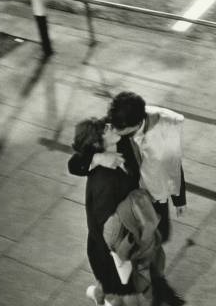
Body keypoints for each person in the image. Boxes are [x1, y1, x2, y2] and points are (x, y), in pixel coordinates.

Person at [68, 91, 187, 243]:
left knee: (158, 238)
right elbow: (74, 165)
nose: (112, 129)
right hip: (128, 204)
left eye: (118, 129)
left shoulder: (161, 128)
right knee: (134, 244)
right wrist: (98, 157)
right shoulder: (115, 123)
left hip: (156, 199)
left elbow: (173, 164)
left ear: (135, 125)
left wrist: (179, 199)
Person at [72, 117, 145, 306]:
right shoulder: (104, 180)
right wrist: (125, 249)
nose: (110, 126)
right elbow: (109, 227)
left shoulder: (118, 145)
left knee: (108, 281)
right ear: (98, 144)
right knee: (127, 289)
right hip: (112, 245)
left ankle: (98, 294)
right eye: (105, 129)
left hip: (107, 241)